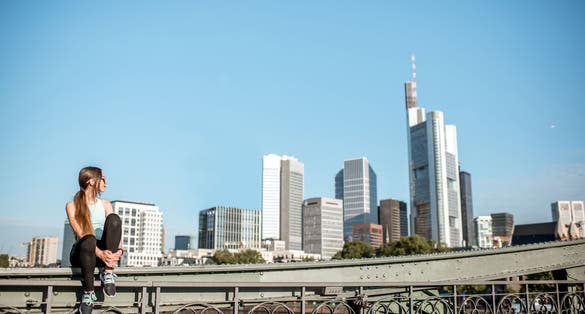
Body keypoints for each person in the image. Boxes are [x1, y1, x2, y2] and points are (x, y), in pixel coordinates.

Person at [66, 166, 123, 314]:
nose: (106, 183)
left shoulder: (105, 204)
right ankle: (88, 292)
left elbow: (115, 230)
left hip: (103, 256)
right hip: (82, 253)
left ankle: (108, 273)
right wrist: (100, 254)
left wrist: (119, 251)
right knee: (89, 238)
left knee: (114, 219)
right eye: (102, 179)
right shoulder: (72, 206)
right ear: (91, 181)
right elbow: (81, 234)